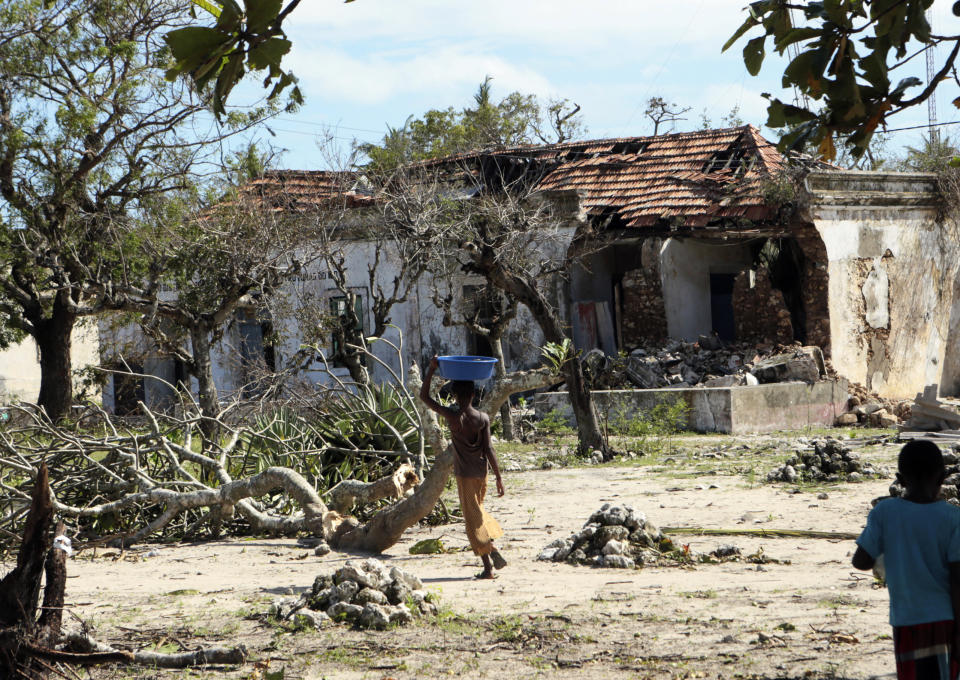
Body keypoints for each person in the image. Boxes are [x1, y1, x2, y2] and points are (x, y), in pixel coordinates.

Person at [853, 439, 960, 680]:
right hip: (945, 621)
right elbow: (957, 579)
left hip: (906, 620)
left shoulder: (884, 512)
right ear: (943, 478)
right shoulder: (953, 518)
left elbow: (860, 561)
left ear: (900, 480)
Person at [420, 356, 507, 579]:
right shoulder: (483, 418)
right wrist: (498, 477)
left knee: (472, 520)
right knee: (477, 510)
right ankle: (490, 548)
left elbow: (424, 397)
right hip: (482, 472)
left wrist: (431, 370)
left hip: (465, 475)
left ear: (455, 396)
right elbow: (489, 449)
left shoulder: (452, 416)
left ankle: (488, 562)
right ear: (474, 395)